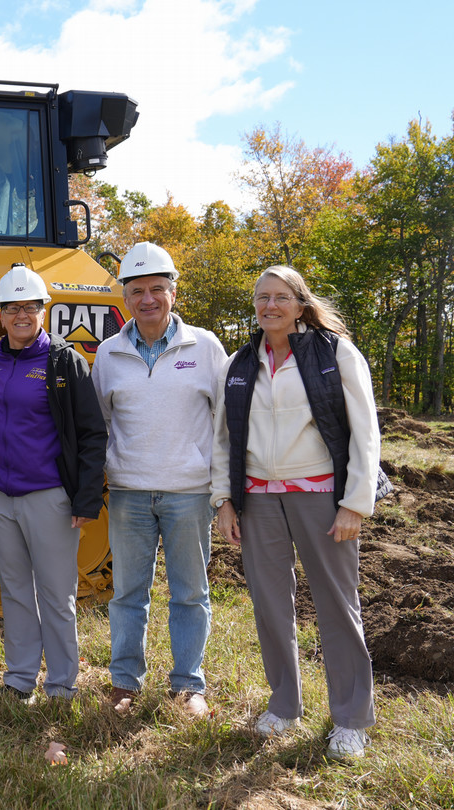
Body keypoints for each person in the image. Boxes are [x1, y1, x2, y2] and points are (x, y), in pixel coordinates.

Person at [212, 264, 381, 759]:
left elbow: (365, 431)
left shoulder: (335, 353)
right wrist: (224, 500)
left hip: (322, 495)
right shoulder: (239, 363)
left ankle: (350, 719)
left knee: (336, 603)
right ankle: (285, 705)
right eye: (262, 298)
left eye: (280, 297)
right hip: (258, 498)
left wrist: (355, 502)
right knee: (269, 604)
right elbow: (222, 439)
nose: (269, 306)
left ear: (301, 304)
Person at [91, 242, 226, 718]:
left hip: (190, 493)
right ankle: (125, 684)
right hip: (128, 492)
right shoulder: (108, 353)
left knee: (190, 592)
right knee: (128, 593)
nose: (147, 299)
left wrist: (224, 491)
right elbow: (99, 425)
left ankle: (189, 686)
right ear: (125, 296)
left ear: (173, 291)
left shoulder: (205, 347)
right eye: (136, 291)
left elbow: (225, 423)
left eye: (156, 289)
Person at [0, 263, 107, 702]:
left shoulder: (63, 361)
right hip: (0, 492)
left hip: (49, 494)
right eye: (12, 308)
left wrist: (86, 498)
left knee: (55, 593)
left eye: (30, 307)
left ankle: (61, 684)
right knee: (14, 589)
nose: (21, 315)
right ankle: (19, 678)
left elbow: (91, 432)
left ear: (43, 311)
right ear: (0, 313)